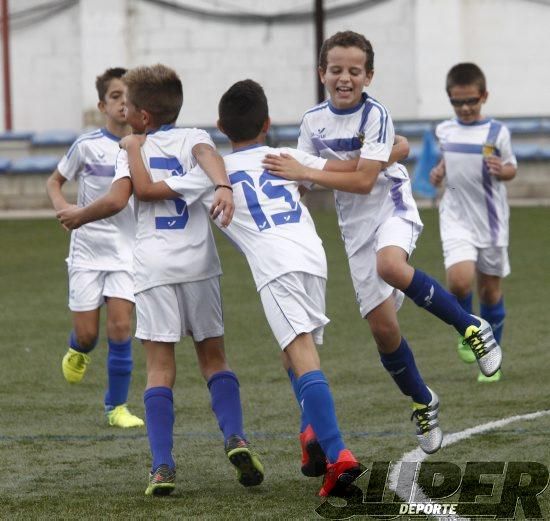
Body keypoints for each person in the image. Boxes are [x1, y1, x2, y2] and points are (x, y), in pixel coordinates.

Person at [120, 79, 367, 498]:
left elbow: (151, 191)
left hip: (276, 268)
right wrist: (386, 151)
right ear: (268, 123)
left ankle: (339, 455)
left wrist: (135, 150)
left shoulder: (216, 172)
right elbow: (351, 167)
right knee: (293, 353)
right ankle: (311, 436)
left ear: (220, 126)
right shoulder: (284, 156)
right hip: (313, 257)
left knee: (303, 356)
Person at [262, 31, 503, 457]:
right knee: (383, 330)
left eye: (355, 70)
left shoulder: (375, 115)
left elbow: (362, 179)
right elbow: (300, 178)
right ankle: (423, 402)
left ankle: (471, 325)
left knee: (390, 265)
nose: (345, 77)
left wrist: (313, 170)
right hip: (354, 230)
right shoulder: (312, 122)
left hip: (392, 208)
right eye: (336, 69)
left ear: (368, 75)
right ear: (322, 73)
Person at [57, 64, 263, 496]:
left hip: (152, 269)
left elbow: (117, 199)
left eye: (128, 104)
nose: (123, 111)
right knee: (214, 360)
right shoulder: (195, 138)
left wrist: (79, 214)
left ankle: (163, 466)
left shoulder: (130, 146)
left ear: (143, 116)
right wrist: (222, 185)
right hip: (200, 266)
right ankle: (236, 437)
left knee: (159, 368)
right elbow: (210, 158)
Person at [46, 67, 144, 429]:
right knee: (88, 335)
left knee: (121, 328)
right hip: (87, 251)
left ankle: (116, 407)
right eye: (116, 97)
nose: (123, 104)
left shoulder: (143, 145)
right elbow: (55, 180)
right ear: (103, 105)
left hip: (126, 251)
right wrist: (63, 208)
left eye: (128, 97)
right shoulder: (86, 145)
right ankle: (78, 348)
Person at [430, 63, 517, 383]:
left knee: (490, 292)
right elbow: (444, 165)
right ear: (449, 99)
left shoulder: (497, 132)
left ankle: (491, 359)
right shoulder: (444, 131)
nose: (465, 108)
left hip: (491, 222)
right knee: (459, 282)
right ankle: (468, 331)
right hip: (456, 217)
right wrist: (438, 173)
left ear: (484, 96)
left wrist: (502, 170)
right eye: (458, 102)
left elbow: (511, 168)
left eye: (472, 101)